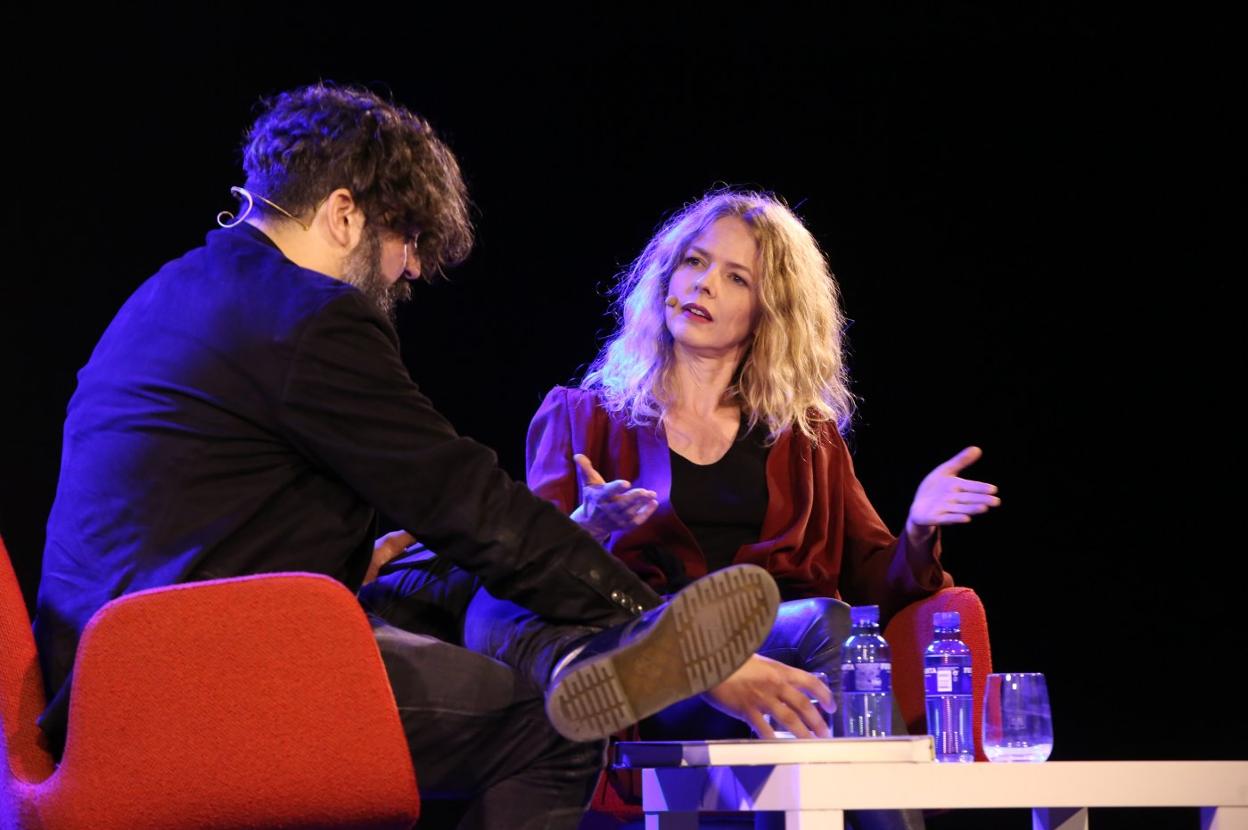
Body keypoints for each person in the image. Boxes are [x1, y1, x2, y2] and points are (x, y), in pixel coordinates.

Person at [31, 85, 778, 830]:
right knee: (545, 729)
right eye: (406, 238)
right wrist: (665, 628)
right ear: (344, 213)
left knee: (451, 578)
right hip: (195, 685)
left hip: (112, 674)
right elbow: (466, 501)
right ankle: (616, 651)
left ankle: (575, 660)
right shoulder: (307, 319)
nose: (412, 269)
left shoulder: (177, 289)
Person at [365, 188, 1000, 829]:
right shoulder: (581, 417)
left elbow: (877, 587)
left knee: (833, 628)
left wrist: (918, 530)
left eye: (735, 278)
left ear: (767, 313)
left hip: (776, 659)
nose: (703, 286)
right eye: (694, 263)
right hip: (652, 668)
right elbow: (524, 574)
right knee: (823, 629)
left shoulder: (806, 440)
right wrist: (589, 526)